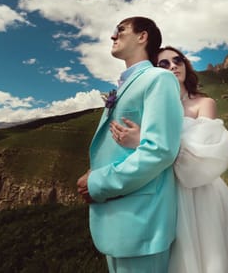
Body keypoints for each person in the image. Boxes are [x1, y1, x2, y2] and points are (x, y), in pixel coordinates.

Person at [110, 46, 228, 273]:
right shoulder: (152, 107)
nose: (173, 66)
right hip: (161, 188)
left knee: (205, 256)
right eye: (164, 63)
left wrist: (144, 141)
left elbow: (204, 153)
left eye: (177, 60)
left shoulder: (203, 103)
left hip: (197, 192)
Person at [77, 18, 184, 273]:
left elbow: (159, 150)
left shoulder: (159, 79)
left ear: (142, 37)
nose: (113, 37)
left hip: (141, 222)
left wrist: (98, 182)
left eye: (120, 30)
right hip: (119, 221)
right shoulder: (126, 84)